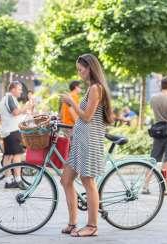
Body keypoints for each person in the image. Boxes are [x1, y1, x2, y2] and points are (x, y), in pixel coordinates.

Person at [61, 54, 113, 237]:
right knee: (65, 180)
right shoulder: (91, 88)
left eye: (81, 69)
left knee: (87, 181)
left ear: (90, 67)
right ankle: (73, 222)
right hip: (80, 139)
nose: (79, 72)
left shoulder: (95, 88)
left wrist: (71, 103)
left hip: (89, 140)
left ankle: (92, 226)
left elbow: (87, 117)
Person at [0, 81, 32, 190]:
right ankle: (17, 180)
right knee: (17, 155)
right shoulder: (9, 98)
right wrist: (26, 107)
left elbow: (15, 114)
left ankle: (9, 180)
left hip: (9, 130)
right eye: (19, 89)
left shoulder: (8, 99)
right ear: (12, 89)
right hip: (12, 131)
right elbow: (15, 112)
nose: (21, 91)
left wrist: (24, 111)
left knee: (9, 156)